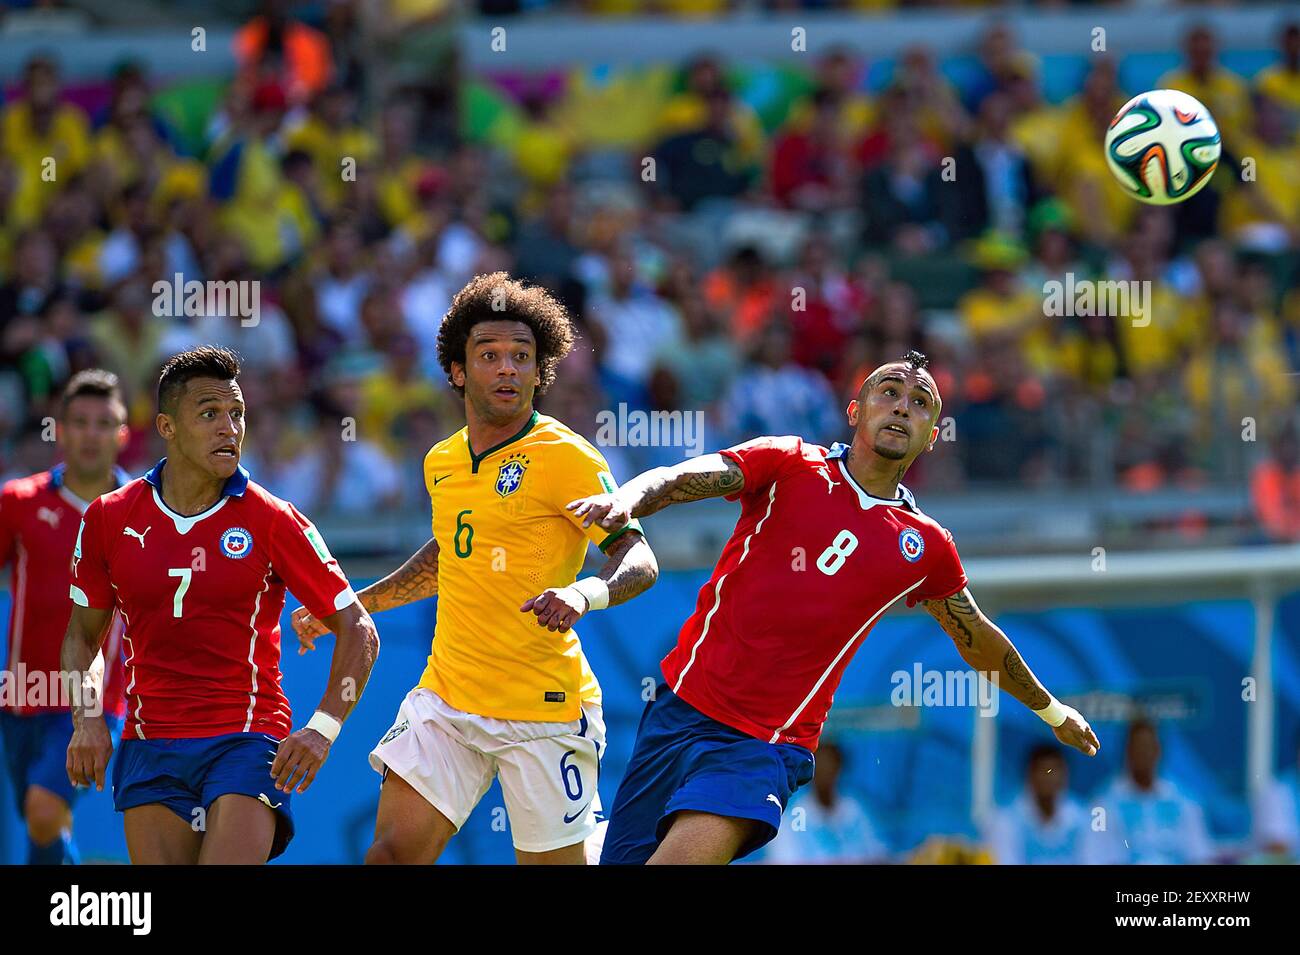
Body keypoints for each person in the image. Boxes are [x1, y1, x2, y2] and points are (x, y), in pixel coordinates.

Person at [568, 349, 1100, 865]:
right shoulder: (789, 463)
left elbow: (974, 635)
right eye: (888, 392)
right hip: (678, 708)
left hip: (764, 745)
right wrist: (628, 499)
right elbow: (686, 476)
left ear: (932, 437)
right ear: (855, 411)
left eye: (920, 402)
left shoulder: (925, 545)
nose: (901, 406)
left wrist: (1051, 710)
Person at [292, 273, 659, 865]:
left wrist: (585, 593)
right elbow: (447, 555)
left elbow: (638, 559)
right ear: (458, 372)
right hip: (449, 697)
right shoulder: (442, 461)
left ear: (541, 371)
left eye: (522, 357)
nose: (508, 369)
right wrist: (355, 606)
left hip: (545, 708)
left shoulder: (567, 458)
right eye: (489, 356)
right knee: (388, 857)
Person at [61, 346, 379, 864]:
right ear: (166, 426)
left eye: (237, 415)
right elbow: (81, 636)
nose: (228, 428)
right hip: (150, 743)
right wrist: (87, 716)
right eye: (209, 414)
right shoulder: (107, 518)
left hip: (246, 739)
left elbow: (358, 629)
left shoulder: (273, 519)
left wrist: (323, 729)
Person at [0, 370, 132, 864]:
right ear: (59, 430)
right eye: (79, 422)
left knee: (42, 810)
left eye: (104, 423)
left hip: (95, 703)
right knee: (41, 826)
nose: (91, 434)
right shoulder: (17, 502)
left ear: (122, 433)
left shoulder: (143, 512)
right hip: (19, 696)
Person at [1093, 718, 1214, 865]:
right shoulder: (1104, 805)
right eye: (1138, 747)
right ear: (1127, 752)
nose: (1143, 754)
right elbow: (1096, 858)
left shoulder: (1185, 802)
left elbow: (1200, 856)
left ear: (1159, 750)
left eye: (1148, 747)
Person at [763, 739, 887, 864]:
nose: (825, 772)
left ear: (839, 768)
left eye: (830, 765)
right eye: (820, 766)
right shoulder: (792, 818)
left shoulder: (855, 809)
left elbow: (879, 854)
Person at [983, 744, 1099, 865]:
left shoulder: (1083, 819)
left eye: (1055, 770)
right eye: (1043, 770)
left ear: (1066, 775)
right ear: (1029, 774)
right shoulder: (1005, 821)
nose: (1049, 778)